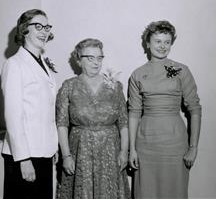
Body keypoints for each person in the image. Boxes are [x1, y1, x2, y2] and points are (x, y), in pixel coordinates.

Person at [128, 20, 202, 199]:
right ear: (148, 43)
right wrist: (132, 148)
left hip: (174, 143)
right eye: (158, 41)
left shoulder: (181, 71)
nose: (162, 46)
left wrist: (193, 147)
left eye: (167, 42)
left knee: (174, 191)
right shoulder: (137, 74)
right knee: (145, 192)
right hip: (145, 143)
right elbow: (134, 113)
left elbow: (195, 109)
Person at [56, 38, 131, 199]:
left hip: (110, 149)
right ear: (78, 60)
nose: (96, 62)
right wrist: (66, 155)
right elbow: (61, 123)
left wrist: (124, 151)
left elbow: (124, 122)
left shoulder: (114, 86)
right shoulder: (69, 86)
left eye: (99, 58)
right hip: (80, 150)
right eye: (90, 58)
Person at [1, 9, 58, 199]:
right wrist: (23, 159)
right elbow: (13, 116)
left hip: (43, 151)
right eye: (38, 26)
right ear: (24, 30)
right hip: (24, 155)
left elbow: (46, 112)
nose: (44, 31)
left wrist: (53, 147)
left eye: (47, 27)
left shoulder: (42, 62)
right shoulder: (15, 64)